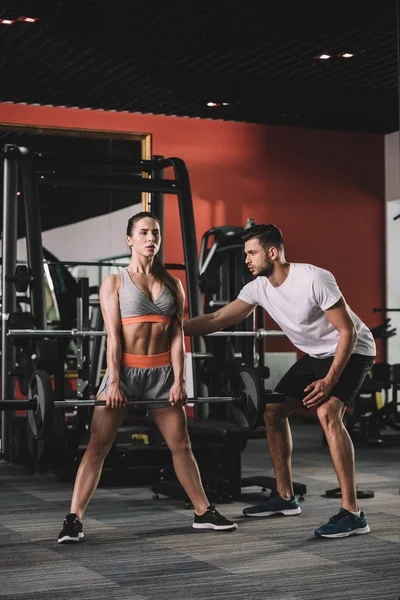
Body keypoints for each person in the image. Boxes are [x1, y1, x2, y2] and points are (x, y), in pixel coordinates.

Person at [184, 223, 376, 539]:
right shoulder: (257, 288)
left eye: (252, 252)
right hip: (317, 354)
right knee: (273, 412)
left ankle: (353, 513)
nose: (246, 259)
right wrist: (174, 329)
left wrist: (329, 381)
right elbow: (219, 319)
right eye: (245, 253)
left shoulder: (314, 278)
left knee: (328, 414)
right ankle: (285, 497)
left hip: (353, 349)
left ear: (272, 252)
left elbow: (348, 331)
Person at [58, 212, 237, 542]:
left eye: (155, 232)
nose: (151, 238)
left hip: (161, 375)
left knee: (181, 445)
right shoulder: (115, 282)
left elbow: (177, 334)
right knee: (98, 445)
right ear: (130, 240)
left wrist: (180, 381)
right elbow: (112, 336)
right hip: (124, 372)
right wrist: (112, 382)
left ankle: (203, 511)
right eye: (143, 232)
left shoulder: (173, 283)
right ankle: (74, 518)